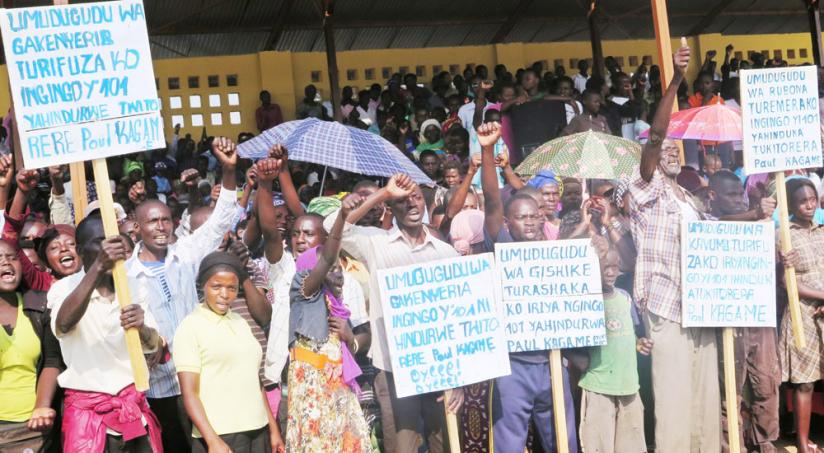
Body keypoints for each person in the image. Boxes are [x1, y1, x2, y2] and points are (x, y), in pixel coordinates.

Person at [126, 137, 265, 452]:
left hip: (203, 385)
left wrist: (229, 171)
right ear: (137, 226)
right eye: (152, 221)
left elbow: (221, 221)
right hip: (158, 389)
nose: (161, 227)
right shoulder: (124, 275)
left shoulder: (186, 253)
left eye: (166, 220)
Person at [325, 173, 464, 453]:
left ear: (424, 204)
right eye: (401, 202)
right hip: (392, 369)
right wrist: (383, 194)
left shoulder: (446, 252)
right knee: (402, 445)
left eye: (416, 199)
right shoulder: (376, 244)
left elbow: (458, 317)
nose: (411, 205)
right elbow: (332, 226)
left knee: (442, 444)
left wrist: (459, 379)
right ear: (391, 208)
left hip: (439, 367)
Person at [628, 41, 721, 452]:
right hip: (666, 304)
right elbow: (658, 134)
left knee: (703, 402)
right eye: (661, 147)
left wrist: (757, 216)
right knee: (674, 401)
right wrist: (677, 80)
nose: (668, 149)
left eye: (673, 148)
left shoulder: (689, 199)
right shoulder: (643, 189)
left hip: (701, 305)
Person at [477, 121, 578, 453]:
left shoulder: (554, 252)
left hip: (552, 361)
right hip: (513, 366)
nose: (531, 221)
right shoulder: (503, 245)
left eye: (535, 216)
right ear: (508, 223)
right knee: (509, 444)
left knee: (563, 442)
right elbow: (492, 200)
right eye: (522, 217)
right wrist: (489, 150)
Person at [49, 214, 164, 452]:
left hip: (133, 407)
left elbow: (154, 346)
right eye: (101, 242)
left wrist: (141, 327)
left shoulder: (133, 286)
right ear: (81, 250)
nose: (110, 248)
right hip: (88, 416)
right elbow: (62, 325)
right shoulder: (64, 288)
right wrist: (99, 267)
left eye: (114, 240)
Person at [285, 196, 372, 452]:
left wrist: (349, 337)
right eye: (330, 269)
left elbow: (358, 339)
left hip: (338, 391)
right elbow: (326, 258)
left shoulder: (338, 304)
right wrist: (342, 217)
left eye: (337, 268)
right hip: (313, 392)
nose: (337, 273)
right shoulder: (305, 292)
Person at [174, 251, 284, 453]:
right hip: (222, 435)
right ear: (203, 286)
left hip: (258, 431)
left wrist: (273, 429)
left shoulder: (240, 321)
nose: (225, 294)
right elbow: (189, 393)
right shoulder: (190, 327)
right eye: (216, 286)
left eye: (231, 288)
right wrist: (212, 440)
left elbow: (255, 381)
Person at [707, 170, 780, 452]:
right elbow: (720, 223)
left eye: (742, 193)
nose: (740, 200)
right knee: (730, 388)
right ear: (713, 195)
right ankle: (731, 445)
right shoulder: (706, 223)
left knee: (766, 382)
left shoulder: (757, 224)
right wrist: (754, 213)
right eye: (732, 195)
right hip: (729, 321)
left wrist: (782, 257)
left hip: (758, 316)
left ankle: (765, 443)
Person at [578, 245, 652, 453]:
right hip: (599, 386)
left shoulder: (625, 297)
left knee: (631, 445)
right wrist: (578, 360)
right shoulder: (587, 302)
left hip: (629, 386)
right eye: (605, 267)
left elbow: (630, 331)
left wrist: (639, 343)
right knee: (598, 445)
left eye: (615, 267)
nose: (611, 273)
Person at [0, 239, 62, 452]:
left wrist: (42, 406)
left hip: (36, 426)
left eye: (11, 257)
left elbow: (52, 359)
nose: (6, 263)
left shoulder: (39, 305)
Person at [779, 178, 824, 453]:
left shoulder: (822, 231)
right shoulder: (785, 235)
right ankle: (802, 441)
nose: (809, 205)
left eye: (812, 199)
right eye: (802, 201)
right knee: (805, 382)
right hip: (803, 314)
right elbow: (789, 283)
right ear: (791, 205)